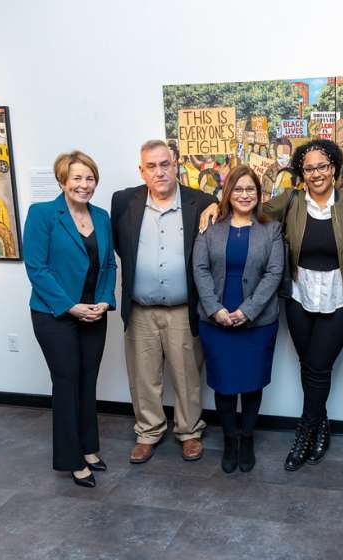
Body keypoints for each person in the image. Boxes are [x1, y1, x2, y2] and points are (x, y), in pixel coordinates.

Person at [200, 138, 343, 470]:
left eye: (323, 166)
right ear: (300, 173)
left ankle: (304, 434)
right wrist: (212, 204)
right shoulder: (290, 201)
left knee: (319, 369)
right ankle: (321, 426)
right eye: (309, 168)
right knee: (309, 367)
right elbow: (248, 207)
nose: (317, 173)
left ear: (334, 167)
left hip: (339, 299)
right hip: (299, 299)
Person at [111, 139, 218, 464]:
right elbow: (120, 247)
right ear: (141, 170)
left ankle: (189, 432)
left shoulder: (200, 201)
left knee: (187, 375)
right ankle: (148, 432)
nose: (159, 172)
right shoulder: (124, 202)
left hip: (183, 310)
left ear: (176, 165)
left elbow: (224, 208)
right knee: (143, 376)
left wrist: (216, 203)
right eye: (151, 166)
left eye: (165, 164)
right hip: (140, 309)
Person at [23, 151, 116, 488]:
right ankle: (71, 458)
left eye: (89, 178)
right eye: (77, 178)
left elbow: (108, 266)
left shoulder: (102, 217)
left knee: (88, 380)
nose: (84, 184)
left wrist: (104, 301)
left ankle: (90, 448)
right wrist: (70, 306)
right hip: (55, 315)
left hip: (94, 313)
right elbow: (37, 269)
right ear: (63, 180)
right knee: (66, 382)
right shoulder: (43, 214)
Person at [192, 165, 283, 473]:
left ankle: (247, 439)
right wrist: (214, 308)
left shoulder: (271, 228)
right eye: (239, 189)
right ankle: (230, 439)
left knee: (252, 383)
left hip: (257, 321)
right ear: (228, 192)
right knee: (225, 384)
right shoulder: (211, 225)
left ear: (259, 194)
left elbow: (274, 273)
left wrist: (248, 310)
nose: (245, 195)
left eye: (251, 190)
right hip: (215, 318)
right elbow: (200, 269)